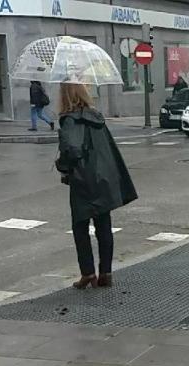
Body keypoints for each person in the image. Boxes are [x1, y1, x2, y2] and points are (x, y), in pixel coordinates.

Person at [56, 83, 138, 289]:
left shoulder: (69, 120)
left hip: (83, 182)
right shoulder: (97, 118)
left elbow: (72, 150)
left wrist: (62, 166)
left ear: (65, 96)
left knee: (80, 227)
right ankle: (106, 273)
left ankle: (88, 273)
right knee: (103, 227)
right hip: (103, 180)